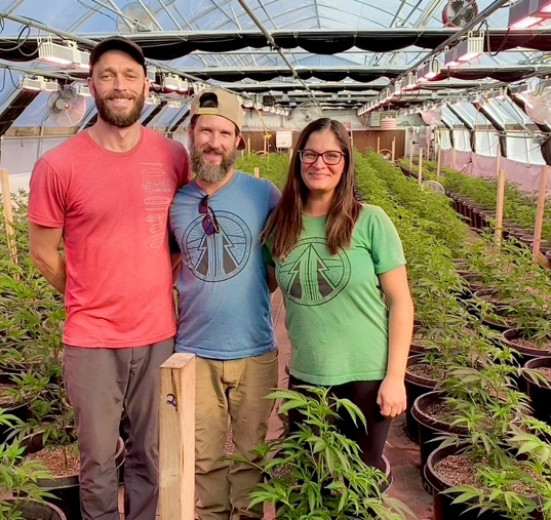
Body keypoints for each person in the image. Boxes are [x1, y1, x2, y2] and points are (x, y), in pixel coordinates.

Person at [28, 37, 190, 520]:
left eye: (129, 76)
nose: (120, 85)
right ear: (91, 83)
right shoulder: (58, 165)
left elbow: (179, 237)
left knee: (149, 455)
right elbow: (42, 253)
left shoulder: (172, 157)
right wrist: (91, 295)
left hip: (158, 334)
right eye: (108, 75)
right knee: (98, 461)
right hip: (93, 340)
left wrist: (156, 283)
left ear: (146, 85)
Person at [261, 118, 414, 473]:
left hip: (367, 377)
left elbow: (401, 302)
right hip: (307, 375)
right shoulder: (281, 225)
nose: (320, 163)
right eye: (311, 154)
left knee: (358, 483)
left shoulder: (371, 221)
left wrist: (395, 377)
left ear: (346, 162)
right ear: (299, 158)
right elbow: (262, 286)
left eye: (332, 155)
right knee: (310, 479)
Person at [170, 88, 280, 520]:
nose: (214, 142)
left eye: (224, 133)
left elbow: (278, 263)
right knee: (206, 458)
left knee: (252, 453)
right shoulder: (175, 201)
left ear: (238, 141)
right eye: (206, 131)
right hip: (194, 352)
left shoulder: (264, 194)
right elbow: (167, 264)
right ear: (191, 134)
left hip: (255, 350)